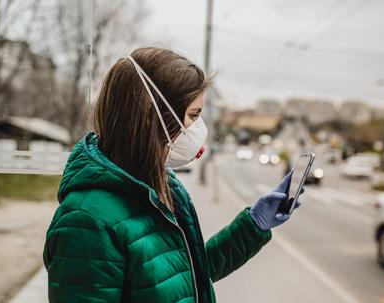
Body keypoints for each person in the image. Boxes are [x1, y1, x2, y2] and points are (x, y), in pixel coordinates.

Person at [43, 47, 302, 303]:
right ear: (151, 115)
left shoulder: (162, 186)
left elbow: (185, 275)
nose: (199, 129)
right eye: (193, 115)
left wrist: (253, 225)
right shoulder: (86, 220)